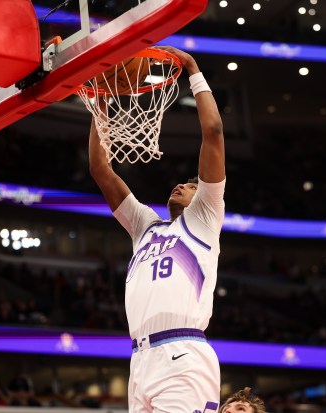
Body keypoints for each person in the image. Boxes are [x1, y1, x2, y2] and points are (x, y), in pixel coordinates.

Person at [88, 45, 225, 413]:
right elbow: (101, 170)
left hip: (183, 354)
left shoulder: (205, 218)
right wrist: (101, 96)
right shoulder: (145, 227)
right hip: (139, 359)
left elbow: (212, 130)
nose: (181, 186)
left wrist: (193, 68)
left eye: (191, 184)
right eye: (180, 183)